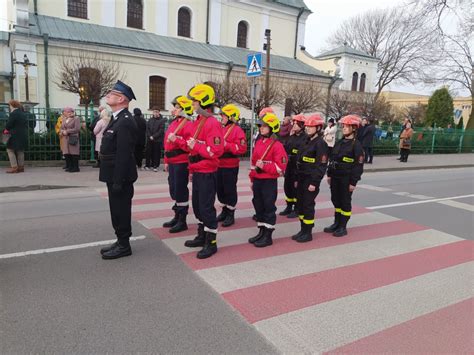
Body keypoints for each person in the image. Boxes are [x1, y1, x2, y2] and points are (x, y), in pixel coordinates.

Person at [183, 83, 224, 259]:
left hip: (207, 171)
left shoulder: (212, 123)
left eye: (194, 101)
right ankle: (202, 235)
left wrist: (196, 146)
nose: (192, 105)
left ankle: (211, 242)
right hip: (198, 170)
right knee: (198, 207)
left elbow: (216, 150)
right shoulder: (200, 121)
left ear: (203, 101)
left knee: (206, 207)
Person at [99, 80, 138, 260]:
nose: (108, 95)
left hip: (119, 176)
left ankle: (124, 245)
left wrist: (118, 180)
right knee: (115, 209)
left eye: (112, 93)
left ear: (121, 98)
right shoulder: (117, 118)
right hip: (113, 174)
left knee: (121, 210)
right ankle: (120, 240)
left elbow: (123, 154)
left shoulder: (125, 121)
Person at [248, 112, 288, 248]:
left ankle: (268, 235)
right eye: (260, 126)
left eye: (264, 126)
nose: (261, 128)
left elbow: (280, 168)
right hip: (258, 180)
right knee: (258, 205)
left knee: (268, 207)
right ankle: (261, 231)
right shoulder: (259, 142)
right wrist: (252, 179)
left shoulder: (277, 145)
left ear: (271, 128)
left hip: (268, 181)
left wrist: (265, 166)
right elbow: (253, 163)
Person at [324, 114, 364, 237]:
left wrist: (353, 182)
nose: (344, 128)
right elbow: (332, 159)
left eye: (347, 126)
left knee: (345, 202)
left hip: (346, 178)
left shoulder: (356, 145)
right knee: (336, 200)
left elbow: (358, 166)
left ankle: (343, 226)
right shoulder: (340, 142)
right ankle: (336, 223)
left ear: (354, 128)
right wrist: (329, 174)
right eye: (344, 126)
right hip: (335, 176)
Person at [292, 114, 328, 243]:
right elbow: (299, 161)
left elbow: (321, 165)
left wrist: (314, 182)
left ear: (318, 128)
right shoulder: (306, 141)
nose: (307, 129)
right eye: (307, 126)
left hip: (310, 180)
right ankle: (302, 229)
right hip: (301, 178)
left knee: (308, 205)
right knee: (300, 205)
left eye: (311, 127)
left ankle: (308, 232)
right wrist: (296, 178)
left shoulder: (320, 144)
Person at [163, 96, 194, 233]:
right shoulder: (175, 123)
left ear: (184, 108)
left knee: (180, 191)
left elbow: (190, 147)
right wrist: (166, 161)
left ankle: (182, 220)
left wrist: (178, 140)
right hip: (172, 162)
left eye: (177, 107)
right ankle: (177, 215)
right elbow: (167, 143)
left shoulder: (188, 124)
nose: (174, 109)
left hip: (181, 162)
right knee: (174, 190)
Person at [216, 104, 247, 227]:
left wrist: (226, 145)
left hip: (230, 165)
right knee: (220, 189)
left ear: (231, 117)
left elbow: (242, 148)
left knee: (229, 190)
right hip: (218, 164)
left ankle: (230, 214)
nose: (221, 118)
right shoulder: (220, 128)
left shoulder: (237, 130)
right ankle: (223, 210)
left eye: (223, 115)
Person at [279, 114, 306, 218]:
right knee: (288, 187)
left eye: (296, 124)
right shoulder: (292, 137)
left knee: (296, 189)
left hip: (297, 168)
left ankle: (297, 208)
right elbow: (286, 148)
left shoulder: (305, 139)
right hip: (289, 166)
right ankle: (289, 206)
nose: (294, 126)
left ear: (302, 126)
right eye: (293, 123)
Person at [4, 100, 27, 174]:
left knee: (10, 150)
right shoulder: (22, 113)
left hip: (13, 134)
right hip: (22, 134)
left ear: (12, 105)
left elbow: (8, 125)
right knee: (20, 150)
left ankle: (14, 167)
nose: (9, 107)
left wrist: (6, 128)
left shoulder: (13, 114)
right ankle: (21, 167)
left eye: (9, 105)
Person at [60, 107, 81, 173]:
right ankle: (70, 166)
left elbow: (77, 129)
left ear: (72, 112)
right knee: (67, 153)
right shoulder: (64, 119)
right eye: (66, 112)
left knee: (74, 153)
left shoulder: (76, 118)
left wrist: (67, 131)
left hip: (73, 138)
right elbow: (61, 127)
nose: (67, 113)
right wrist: (62, 131)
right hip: (65, 138)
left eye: (69, 112)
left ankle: (76, 168)